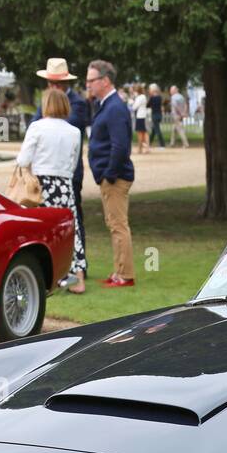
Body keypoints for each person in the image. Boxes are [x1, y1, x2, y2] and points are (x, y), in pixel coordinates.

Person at [17, 88, 87, 292]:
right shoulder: (74, 132)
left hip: (42, 186)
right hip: (64, 186)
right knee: (69, 232)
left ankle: (41, 276)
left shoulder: (37, 127)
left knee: (39, 230)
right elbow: (74, 164)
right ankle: (78, 278)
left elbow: (23, 159)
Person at [33, 58, 90, 286]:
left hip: (67, 173)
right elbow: (36, 124)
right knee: (47, 222)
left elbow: (64, 128)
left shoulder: (78, 103)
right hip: (45, 174)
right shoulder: (45, 102)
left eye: (56, 82)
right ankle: (55, 269)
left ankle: (78, 268)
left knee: (73, 219)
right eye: (50, 82)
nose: (53, 86)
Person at [85, 60, 136, 288]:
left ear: (105, 81)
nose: (88, 85)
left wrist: (109, 175)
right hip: (109, 176)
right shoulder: (107, 104)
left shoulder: (114, 107)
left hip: (115, 178)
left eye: (91, 80)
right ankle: (118, 271)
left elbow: (120, 146)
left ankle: (125, 275)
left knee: (118, 225)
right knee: (113, 224)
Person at [131, 85, 150, 154]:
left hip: (140, 116)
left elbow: (134, 107)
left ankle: (140, 149)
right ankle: (147, 148)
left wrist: (131, 105)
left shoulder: (139, 97)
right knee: (144, 133)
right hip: (143, 115)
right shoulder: (143, 96)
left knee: (140, 133)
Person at [147, 84, 165, 149]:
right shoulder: (160, 97)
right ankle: (149, 143)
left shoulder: (152, 98)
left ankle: (162, 145)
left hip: (154, 115)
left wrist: (150, 98)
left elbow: (148, 105)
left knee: (157, 130)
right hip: (159, 115)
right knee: (154, 130)